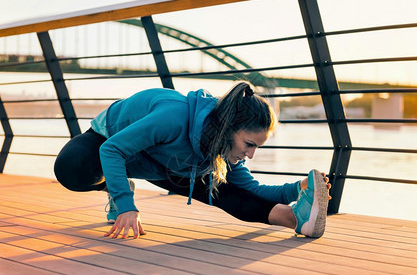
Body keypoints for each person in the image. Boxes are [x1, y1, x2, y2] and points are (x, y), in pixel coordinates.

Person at [54, 82, 331, 239]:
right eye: (248, 145)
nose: (250, 154)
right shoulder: (172, 118)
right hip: (109, 139)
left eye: (256, 147)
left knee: (225, 192)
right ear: (228, 128)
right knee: (70, 168)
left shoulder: (224, 149)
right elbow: (112, 150)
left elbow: (252, 189)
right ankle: (114, 188)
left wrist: (299, 188)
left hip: (166, 161)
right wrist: (126, 204)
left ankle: (297, 218)